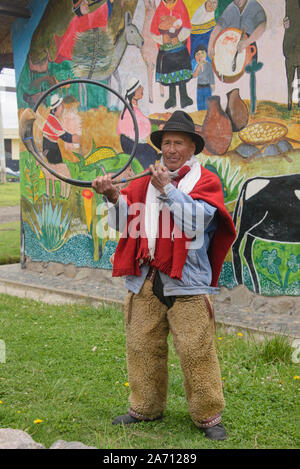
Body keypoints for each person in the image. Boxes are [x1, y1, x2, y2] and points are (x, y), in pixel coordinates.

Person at [92, 111, 236, 441]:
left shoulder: (205, 182)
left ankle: (207, 415)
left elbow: (196, 222)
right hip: (146, 276)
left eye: (178, 143)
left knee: (196, 349)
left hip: (186, 280)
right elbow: (124, 223)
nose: (170, 149)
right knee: (142, 344)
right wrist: (112, 195)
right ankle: (144, 407)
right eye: (166, 143)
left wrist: (168, 190)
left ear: (192, 148)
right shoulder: (145, 181)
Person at [150, 0, 193, 109]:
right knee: (170, 73)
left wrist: (179, 38)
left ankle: (184, 97)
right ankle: (172, 98)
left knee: (181, 71)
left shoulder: (181, 5)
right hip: (167, 51)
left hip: (179, 47)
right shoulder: (160, 9)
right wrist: (163, 40)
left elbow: (187, 26)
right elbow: (154, 30)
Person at [117, 77, 158, 169]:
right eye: (139, 88)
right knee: (150, 154)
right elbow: (130, 133)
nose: (142, 89)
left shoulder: (135, 109)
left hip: (136, 142)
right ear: (133, 93)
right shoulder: (129, 112)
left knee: (152, 152)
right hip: (132, 144)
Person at [42, 94, 80, 164]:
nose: (62, 108)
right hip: (50, 148)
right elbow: (65, 136)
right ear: (54, 109)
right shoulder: (52, 120)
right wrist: (78, 139)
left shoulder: (52, 118)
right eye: (60, 106)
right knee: (59, 168)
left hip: (51, 146)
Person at [192, 44, 215, 110]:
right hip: (199, 88)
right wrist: (199, 66)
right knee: (200, 104)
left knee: (207, 105)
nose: (200, 56)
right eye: (197, 54)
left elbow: (211, 75)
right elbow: (194, 75)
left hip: (207, 87)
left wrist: (212, 84)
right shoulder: (197, 66)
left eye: (202, 53)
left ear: (206, 54)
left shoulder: (208, 64)